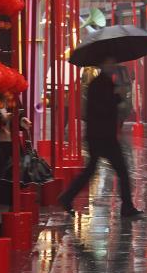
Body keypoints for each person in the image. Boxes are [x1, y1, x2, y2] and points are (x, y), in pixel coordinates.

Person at [59, 57, 142, 219]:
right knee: (121, 171)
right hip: (103, 136)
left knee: (91, 171)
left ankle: (67, 197)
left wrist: (116, 96)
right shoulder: (98, 84)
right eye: (109, 62)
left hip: (100, 135)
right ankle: (127, 207)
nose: (113, 65)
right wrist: (116, 96)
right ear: (103, 65)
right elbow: (102, 108)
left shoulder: (104, 83)